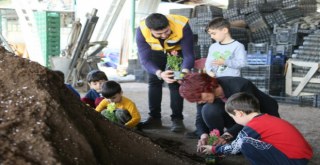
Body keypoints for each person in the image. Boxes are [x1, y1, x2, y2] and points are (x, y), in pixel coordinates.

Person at [201, 93, 313, 165]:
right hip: (301, 157)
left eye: (232, 117)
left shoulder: (253, 126)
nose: (233, 120)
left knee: (245, 143)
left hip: (292, 160)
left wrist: (214, 149)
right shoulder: (266, 119)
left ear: (238, 113)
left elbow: (235, 148)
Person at [179, 73, 280, 152]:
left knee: (257, 148)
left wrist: (228, 135)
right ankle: (218, 141)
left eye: (199, 98)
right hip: (237, 117)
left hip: (262, 116)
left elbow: (249, 117)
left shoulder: (240, 86)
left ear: (207, 87)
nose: (199, 102)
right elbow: (200, 117)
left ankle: (230, 139)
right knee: (208, 109)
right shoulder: (202, 96)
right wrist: (204, 135)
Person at [136, 13, 195, 132]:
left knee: (175, 83)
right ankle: (154, 117)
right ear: (149, 29)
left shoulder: (182, 24)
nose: (163, 35)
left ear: (169, 24)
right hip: (156, 52)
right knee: (154, 81)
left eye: (166, 31)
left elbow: (189, 54)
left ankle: (177, 119)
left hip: (176, 52)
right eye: (159, 34)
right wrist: (159, 73)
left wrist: (183, 73)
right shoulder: (142, 30)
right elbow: (145, 60)